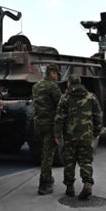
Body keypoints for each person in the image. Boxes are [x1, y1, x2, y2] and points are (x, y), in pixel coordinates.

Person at [54, 74, 102, 200]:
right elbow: (98, 115)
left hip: (70, 136)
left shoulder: (65, 98)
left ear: (69, 83)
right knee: (85, 160)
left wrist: (57, 134)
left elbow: (59, 118)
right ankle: (87, 183)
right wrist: (97, 131)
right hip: (86, 135)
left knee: (69, 162)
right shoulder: (91, 97)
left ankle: (69, 187)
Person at [32, 64, 62, 195]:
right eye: (57, 74)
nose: (57, 77)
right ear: (52, 73)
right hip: (50, 125)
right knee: (48, 155)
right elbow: (60, 107)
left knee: (44, 153)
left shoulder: (36, 86)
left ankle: (48, 178)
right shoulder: (53, 87)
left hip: (38, 124)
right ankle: (44, 185)